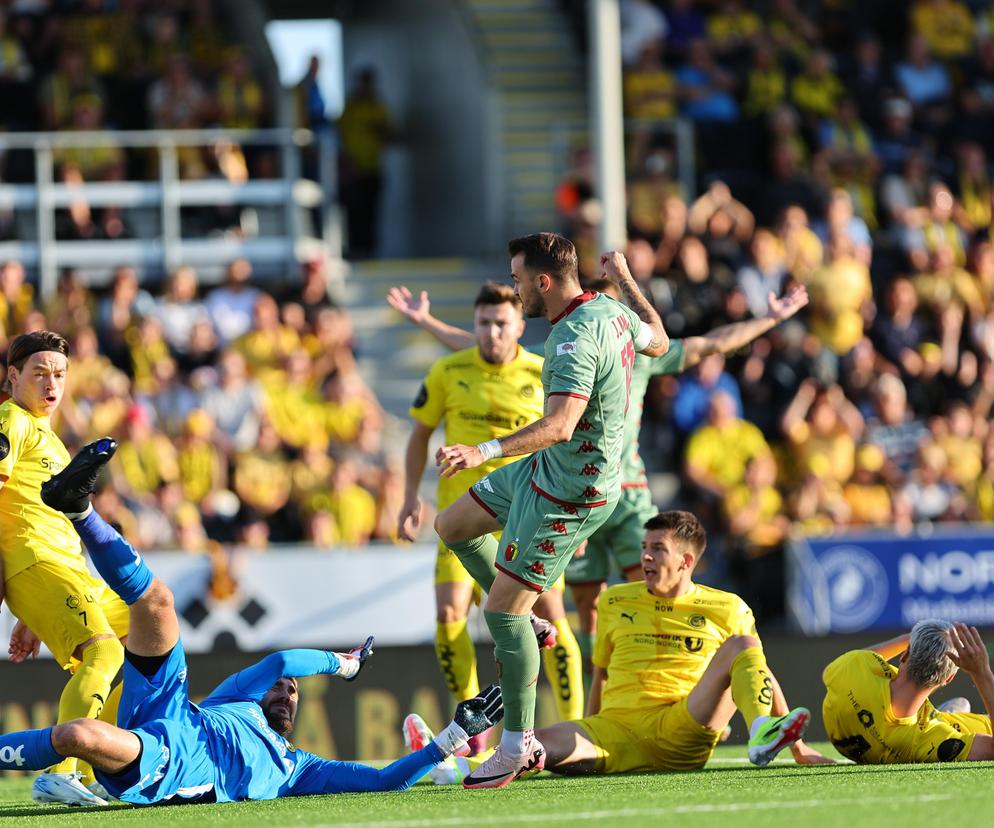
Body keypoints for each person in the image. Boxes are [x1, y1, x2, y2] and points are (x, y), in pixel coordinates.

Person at [0, 438, 505, 805]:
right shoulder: (235, 698)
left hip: (164, 763)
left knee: (77, 737)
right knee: (157, 603)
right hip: (173, 708)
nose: (287, 693)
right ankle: (80, 509)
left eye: (292, 694)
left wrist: (454, 735)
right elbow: (283, 660)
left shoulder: (297, 769)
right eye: (283, 690)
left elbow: (383, 781)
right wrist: (341, 664)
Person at [389, 279, 809, 667]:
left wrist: (769, 319)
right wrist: (426, 322)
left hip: (625, 494)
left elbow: (710, 344)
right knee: (587, 613)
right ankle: (606, 705)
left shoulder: (642, 356)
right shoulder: (574, 350)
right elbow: (492, 345)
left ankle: (673, 680)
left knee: (653, 590)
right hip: (572, 491)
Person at [431, 233, 668, 788]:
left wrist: (482, 451)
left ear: (542, 281)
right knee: (452, 525)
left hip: (570, 492)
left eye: (517, 279)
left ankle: (516, 745)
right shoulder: (610, 309)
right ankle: (527, 619)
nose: (515, 289)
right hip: (547, 471)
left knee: (500, 616)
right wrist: (628, 279)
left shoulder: (572, 339)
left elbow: (560, 425)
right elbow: (657, 338)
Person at [406, 511, 827, 781]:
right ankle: (451, 766)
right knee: (529, 746)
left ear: (686, 561)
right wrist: (586, 727)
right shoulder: (616, 599)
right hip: (616, 729)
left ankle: (760, 735)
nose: (645, 558)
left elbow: (760, 671)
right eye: (644, 548)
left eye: (657, 549)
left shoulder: (727, 606)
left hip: (683, 725)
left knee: (740, 646)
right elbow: (601, 674)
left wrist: (799, 747)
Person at [397, 281, 584, 746]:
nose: (493, 333)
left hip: (531, 514)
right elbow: (418, 435)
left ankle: (575, 722)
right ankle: (473, 731)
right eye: (484, 323)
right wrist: (407, 497)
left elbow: (567, 437)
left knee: (551, 615)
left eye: (502, 323)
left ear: (521, 326)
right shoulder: (448, 370)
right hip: (464, 515)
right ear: (474, 325)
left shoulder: (544, 373)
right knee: (448, 614)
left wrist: (576, 516)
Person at [0, 331, 127, 806]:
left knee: (151, 642)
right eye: (39, 373)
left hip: (66, 571)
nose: (52, 383)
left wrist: (31, 615)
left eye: (59, 374)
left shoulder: (49, 436)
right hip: (35, 562)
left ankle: (101, 764)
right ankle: (62, 770)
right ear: (13, 377)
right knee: (104, 654)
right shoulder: (11, 419)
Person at [822, 621, 994, 763]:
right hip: (982, 725)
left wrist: (914, 639)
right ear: (948, 679)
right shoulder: (925, 738)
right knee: (960, 705)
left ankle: (949, 711)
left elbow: (841, 667)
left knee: (960, 704)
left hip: (856, 742)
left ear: (904, 655)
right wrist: (982, 673)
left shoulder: (852, 669)